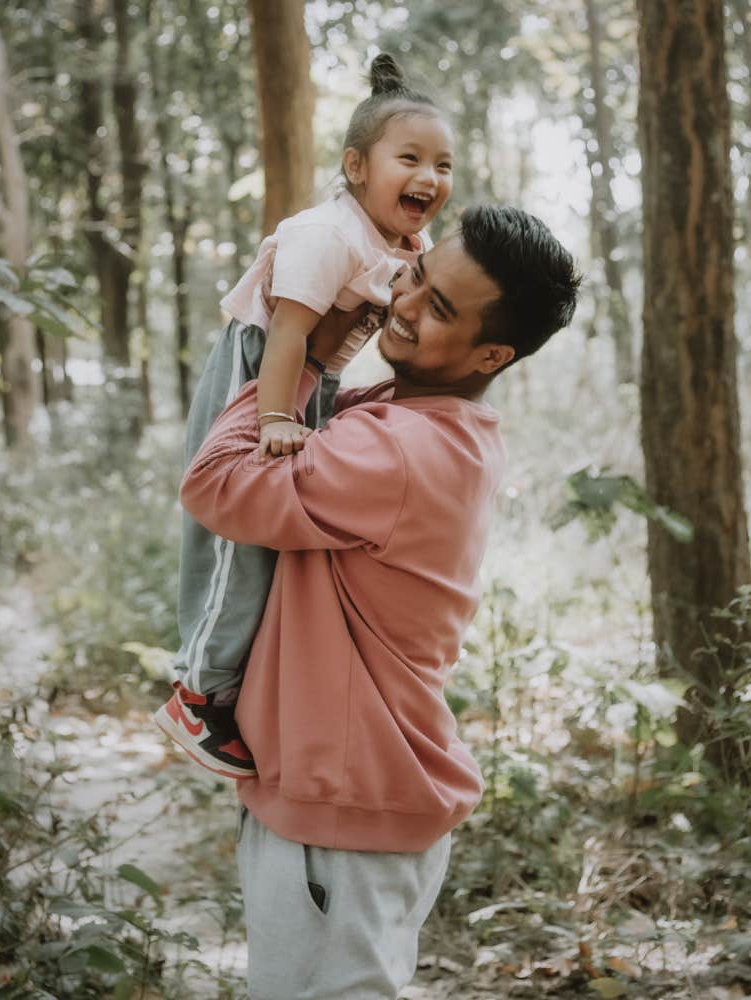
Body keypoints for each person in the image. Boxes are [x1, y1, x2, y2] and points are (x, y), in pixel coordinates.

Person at [174, 204, 581, 999]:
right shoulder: (423, 422)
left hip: (343, 814)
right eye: (416, 279)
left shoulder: (398, 447)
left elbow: (215, 483)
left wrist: (302, 359)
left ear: (492, 352)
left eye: (439, 309)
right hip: (338, 799)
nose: (404, 305)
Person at [154, 53, 456, 778]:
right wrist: (270, 421)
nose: (431, 178)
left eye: (444, 165)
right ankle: (195, 693)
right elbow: (287, 333)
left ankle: (237, 680)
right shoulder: (328, 233)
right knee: (240, 539)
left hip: (308, 381)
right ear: (356, 166)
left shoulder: (407, 244)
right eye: (409, 158)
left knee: (285, 535)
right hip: (260, 371)